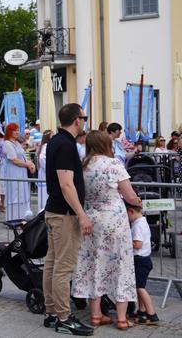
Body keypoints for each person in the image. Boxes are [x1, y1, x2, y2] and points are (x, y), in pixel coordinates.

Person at [71, 130, 141, 330]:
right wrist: (138, 202)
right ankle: (121, 318)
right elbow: (129, 195)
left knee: (95, 264)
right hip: (114, 220)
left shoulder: (84, 166)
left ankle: (95, 315)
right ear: (105, 144)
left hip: (92, 219)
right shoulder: (113, 164)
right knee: (121, 264)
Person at [42, 104, 94, 335]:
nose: (85, 121)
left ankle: (52, 312)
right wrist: (81, 214)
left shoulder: (57, 141)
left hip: (56, 212)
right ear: (76, 120)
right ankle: (63, 317)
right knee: (62, 268)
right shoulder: (64, 144)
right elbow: (66, 183)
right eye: (84, 117)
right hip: (63, 215)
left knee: (52, 264)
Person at [125, 201, 159, 325]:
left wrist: (125, 241)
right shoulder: (143, 221)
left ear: (131, 211)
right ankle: (142, 311)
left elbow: (137, 244)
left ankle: (152, 313)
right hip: (145, 259)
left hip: (139, 260)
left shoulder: (137, 225)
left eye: (126, 215)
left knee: (140, 288)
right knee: (139, 287)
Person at [0, 123, 35, 220]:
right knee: (15, 193)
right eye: (15, 130)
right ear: (9, 131)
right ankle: (13, 218)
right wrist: (27, 164)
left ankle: (21, 217)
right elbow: (14, 160)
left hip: (22, 172)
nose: (17, 132)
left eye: (18, 130)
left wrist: (31, 164)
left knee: (22, 193)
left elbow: (23, 156)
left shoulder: (18, 143)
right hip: (13, 172)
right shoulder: (7, 144)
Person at [36, 130, 53, 213]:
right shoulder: (46, 145)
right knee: (44, 194)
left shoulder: (44, 145)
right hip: (45, 173)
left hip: (44, 172)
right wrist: (49, 169)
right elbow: (42, 158)